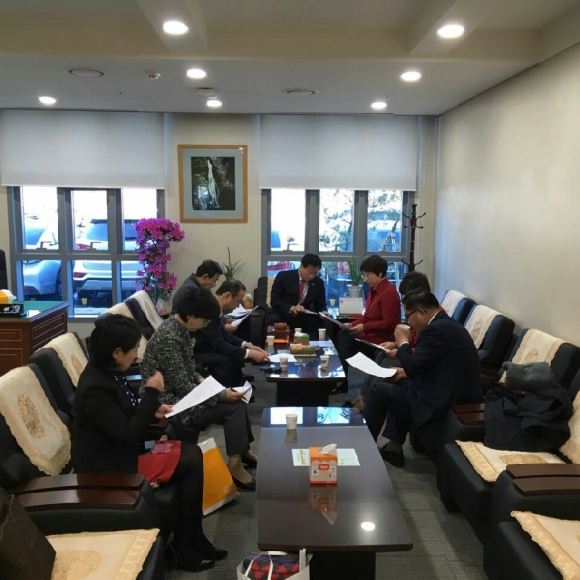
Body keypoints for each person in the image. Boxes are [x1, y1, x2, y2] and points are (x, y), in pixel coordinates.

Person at [71, 315, 226, 572]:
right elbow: (127, 434)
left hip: (120, 452)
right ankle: (184, 547)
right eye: (134, 349)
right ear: (117, 352)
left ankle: (193, 537)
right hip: (109, 466)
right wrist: (152, 394)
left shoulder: (108, 371)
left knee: (192, 453)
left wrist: (151, 409)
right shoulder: (95, 387)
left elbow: (123, 411)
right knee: (189, 459)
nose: (137, 354)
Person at [141, 286, 259, 491]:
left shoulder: (180, 329)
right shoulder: (169, 338)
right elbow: (184, 388)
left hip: (182, 395)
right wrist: (220, 395)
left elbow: (189, 369)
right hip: (171, 404)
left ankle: (241, 452)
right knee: (234, 406)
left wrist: (204, 381)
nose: (205, 325)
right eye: (204, 321)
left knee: (236, 399)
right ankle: (235, 463)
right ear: (190, 315)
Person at [363, 289, 481, 468]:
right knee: (392, 380)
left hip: (442, 400)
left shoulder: (436, 330)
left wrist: (403, 341)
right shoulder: (445, 325)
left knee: (378, 390)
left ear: (421, 312)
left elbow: (413, 365)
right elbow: (428, 363)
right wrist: (404, 372)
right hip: (442, 387)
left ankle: (363, 449)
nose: (408, 322)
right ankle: (393, 449)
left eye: (408, 316)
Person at [193, 279, 270, 387]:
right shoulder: (208, 309)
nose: (238, 306)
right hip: (197, 351)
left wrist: (247, 345)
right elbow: (220, 345)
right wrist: (250, 354)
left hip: (209, 345)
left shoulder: (215, 306)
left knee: (234, 350)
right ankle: (225, 391)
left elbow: (224, 334)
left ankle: (238, 385)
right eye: (238, 301)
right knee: (225, 359)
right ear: (227, 296)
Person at [335, 254, 401, 373]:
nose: (365, 279)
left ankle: (343, 376)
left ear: (380, 273)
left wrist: (364, 327)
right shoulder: (373, 290)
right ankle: (343, 374)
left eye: (368, 275)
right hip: (369, 334)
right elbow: (366, 317)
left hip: (381, 338)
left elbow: (389, 323)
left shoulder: (389, 292)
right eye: (364, 275)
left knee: (344, 339)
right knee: (343, 333)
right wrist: (352, 324)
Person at [266, 253, 327, 336]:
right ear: (302, 266)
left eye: (315, 273)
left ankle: (311, 344)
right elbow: (275, 300)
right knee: (272, 319)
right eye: (310, 272)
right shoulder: (283, 276)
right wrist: (291, 308)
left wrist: (323, 312)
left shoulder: (318, 283)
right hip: (283, 313)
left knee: (316, 321)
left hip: (303, 316)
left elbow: (320, 304)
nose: (311, 276)